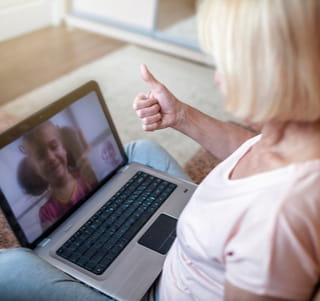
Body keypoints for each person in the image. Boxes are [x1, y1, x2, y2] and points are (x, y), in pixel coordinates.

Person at [1, 0, 320, 300]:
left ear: (278, 73)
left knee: (11, 266)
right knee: (140, 151)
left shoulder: (277, 221)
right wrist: (181, 115)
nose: (218, 78)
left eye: (227, 63)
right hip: (191, 249)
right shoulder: (297, 137)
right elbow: (254, 150)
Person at [19, 121, 97, 229]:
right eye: (40, 155)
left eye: (54, 146)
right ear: (36, 169)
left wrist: (100, 169)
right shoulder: (47, 213)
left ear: (64, 148)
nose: (50, 157)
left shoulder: (89, 176)